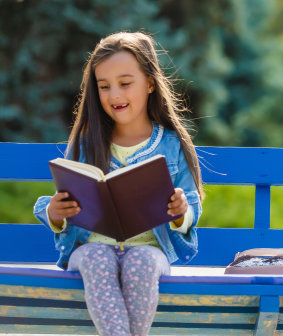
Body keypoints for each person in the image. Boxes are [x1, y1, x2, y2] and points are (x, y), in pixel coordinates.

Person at [34, 31, 203, 336]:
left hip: (150, 252)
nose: (115, 95)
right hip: (91, 249)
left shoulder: (170, 143)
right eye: (104, 86)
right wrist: (55, 213)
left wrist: (181, 211)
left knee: (141, 261)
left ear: (150, 83)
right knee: (97, 258)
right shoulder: (85, 144)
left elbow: (191, 202)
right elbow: (64, 201)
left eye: (125, 83)